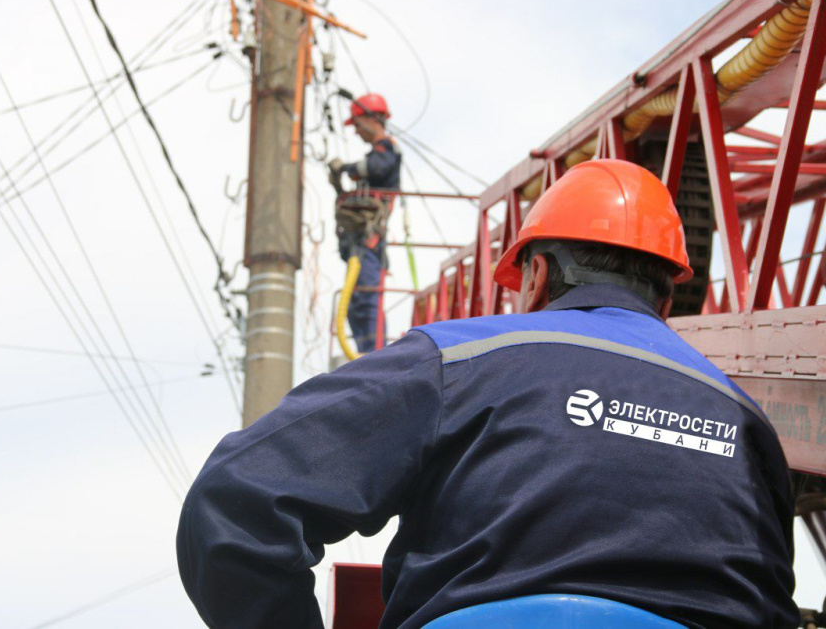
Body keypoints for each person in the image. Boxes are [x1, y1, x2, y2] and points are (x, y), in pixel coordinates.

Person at [176, 159, 799, 628]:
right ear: (667, 298)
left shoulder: (454, 360)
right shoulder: (751, 425)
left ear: (537, 276)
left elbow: (236, 499)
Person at [328, 92, 401, 353]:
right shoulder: (378, 153)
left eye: (357, 125)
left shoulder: (387, 150)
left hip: (371, 240)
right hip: (361, 242)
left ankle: (375, 356)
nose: (356, 132)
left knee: (367, 299)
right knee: (356, 303)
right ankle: (365, 355)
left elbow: (373, 168)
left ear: (371, 119)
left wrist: (345, 168)